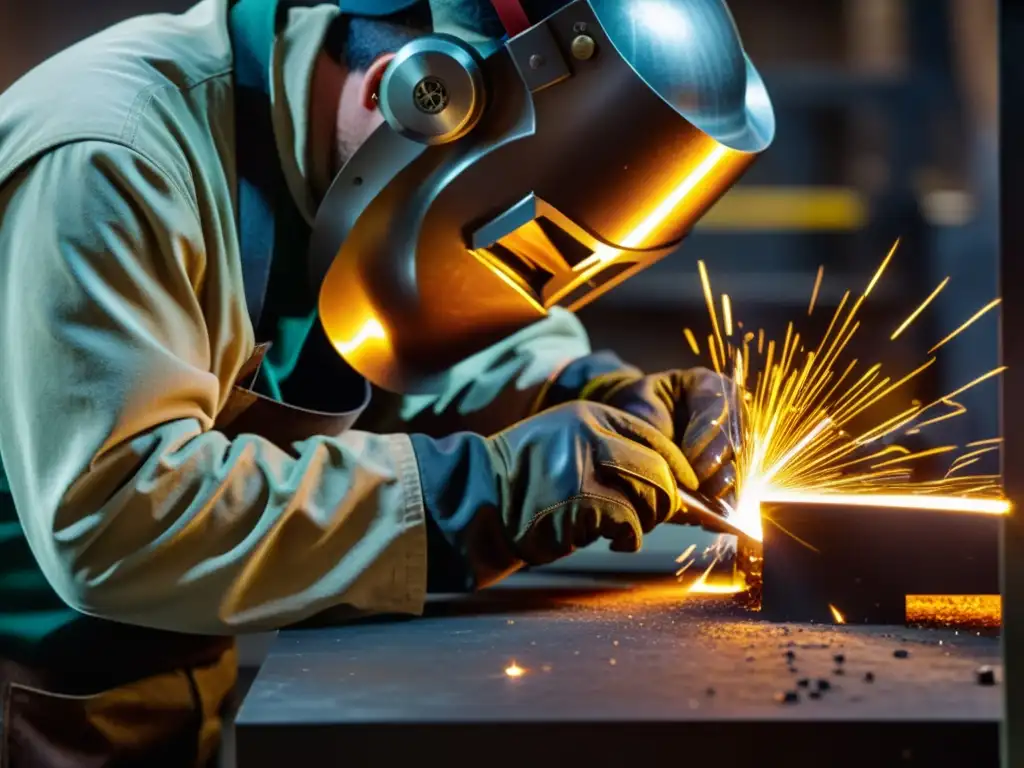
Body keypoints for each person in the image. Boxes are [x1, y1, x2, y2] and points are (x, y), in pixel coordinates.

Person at [0, 0, 770, 764]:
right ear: (409, 91)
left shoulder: (332, 156)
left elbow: (427, 318)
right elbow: (120, 520)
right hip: (27, 700)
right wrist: (482, 495)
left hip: (165, 675)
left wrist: (584, 391)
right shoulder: (114, 156)